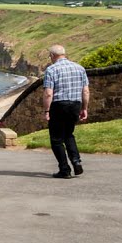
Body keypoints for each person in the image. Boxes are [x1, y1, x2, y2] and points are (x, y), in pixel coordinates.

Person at [43, 44, 90, 178]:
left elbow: (48, 93)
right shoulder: (80, 68)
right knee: (69, 134)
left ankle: (65, 169)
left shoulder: (51, 70)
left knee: (56, 139)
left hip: (58, 105)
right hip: (75, 104)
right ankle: (76, 162)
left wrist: (46, 111)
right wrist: (84, 108)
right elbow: (86, 91)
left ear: (52, 56)